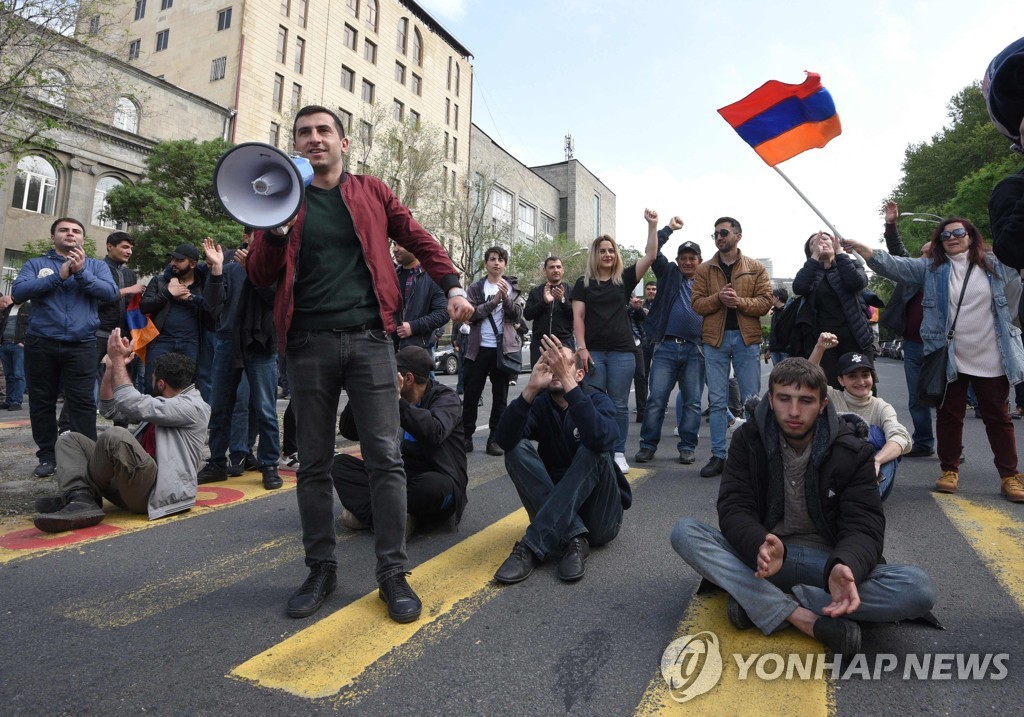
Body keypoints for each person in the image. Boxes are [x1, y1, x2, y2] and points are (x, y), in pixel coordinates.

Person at [246, 105, 472, 623]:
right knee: (315, 463)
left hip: (372, 341)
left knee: (385, 458)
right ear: (296, 146)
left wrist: (452, 286)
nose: (314, 139)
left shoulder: (372, 191)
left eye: (324, 131)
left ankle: (392, 573)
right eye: (304, 133)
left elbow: (418, 238)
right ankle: (320, 568)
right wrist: (276, 231)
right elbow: (260, 275)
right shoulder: (280, 200)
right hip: (308, 344)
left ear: (343, 143)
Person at [671, 358, 936, 655]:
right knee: (685, 532)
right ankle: (801, 617)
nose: (794, 411)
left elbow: (864, 526)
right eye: (784, 399)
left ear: (823, 404)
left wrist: (845, 565)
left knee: (917, 588)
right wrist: (759, 543)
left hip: (825, 565)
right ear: (771, 400)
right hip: (767, 559)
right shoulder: (749, 440)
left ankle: (759, 601)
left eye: (806, 401)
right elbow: (735, 506)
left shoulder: (852, 451)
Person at [845, 218, 1024, 501]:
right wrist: (865, 250)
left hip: (992, 354)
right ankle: (949, 469)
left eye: (958, 233)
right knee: (948, 416)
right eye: (945, 235)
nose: (951, 238)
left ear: (971, 235)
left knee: (998, 417)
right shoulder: (932, 268)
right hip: (949, 357)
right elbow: (896, 266)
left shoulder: (998, 264)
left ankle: (1010, 476)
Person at [32, 330, 209, 532]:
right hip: (130, 484)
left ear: (161, 383)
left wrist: (117, 359)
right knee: (70, 440)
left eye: (152, 376)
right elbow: (111, 408)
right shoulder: (162, 402)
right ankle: (81, 499)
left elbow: (130, 402)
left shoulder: (194, 407)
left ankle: (84, 496)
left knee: (116, 436)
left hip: (155, 492)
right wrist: (110, 369)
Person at [492, 337, 632, 584]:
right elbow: (504, 440)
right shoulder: (540, 404)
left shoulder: (598, 400)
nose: (555, 369)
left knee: (595, 448)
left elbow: (601, 438)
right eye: (550, 363)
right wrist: (530, 389)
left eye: (562, 364)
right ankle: (575, 539)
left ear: (579, 374)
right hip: (556, 510)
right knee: (516, 449)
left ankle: (531, 546)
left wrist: (570, 386)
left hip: (601, 516)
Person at [12, 218, 118, 477]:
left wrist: (80, 273)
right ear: (53, 237)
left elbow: (111, 293)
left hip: (81, 344)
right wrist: (58, 277)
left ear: (83, 238)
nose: (70, 234)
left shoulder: (96, 266)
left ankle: (88, 456)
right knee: (41, 402)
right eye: (64, 230)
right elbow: (18, 292)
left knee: (82, 402)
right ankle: (47, 456)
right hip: (41, 343)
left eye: (76, 231)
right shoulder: (36, 264)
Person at [333, 346, 468, 533]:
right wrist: (359, 391)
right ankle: (397, 520)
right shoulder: (389, 398)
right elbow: (349, 431)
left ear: (408, 379)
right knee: (339, 465)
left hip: (436, 478)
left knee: (432, 487)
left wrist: (399, 403)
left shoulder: (446, 398)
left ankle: (376, 516)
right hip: (400, 474)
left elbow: (434, 432)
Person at [573, 210, 660, 474]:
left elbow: (651, 256)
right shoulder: (583, 283)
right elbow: (578, 316)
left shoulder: (624, 280)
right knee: (595, 403)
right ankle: (598, 448)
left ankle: (618, 452)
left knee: (620, 405)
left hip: (623, 352)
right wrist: (582, 348)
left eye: (611, 250)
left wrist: (653, 226)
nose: (608, 255)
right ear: (595, 255)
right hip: (594, 352)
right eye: (603, 251)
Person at [196, 236, 282, 490]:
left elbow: (277, 301)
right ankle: (217, 463)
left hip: (262, 343)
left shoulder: (276, 263)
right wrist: (216, 269)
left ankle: (269, 464)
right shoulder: (230, 264)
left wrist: (254, 273)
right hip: (227, 341)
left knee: (265, 407)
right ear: (248, 237)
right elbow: (212, 306)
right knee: (220, 406)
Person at [692, 217, 773, 477]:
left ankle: (751, 457)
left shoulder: (756, 268)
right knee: (716, 401)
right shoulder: (705, 269)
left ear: (738, 235)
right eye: (715, 234)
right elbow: (697, 304)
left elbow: (764, 303)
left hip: (746, 339)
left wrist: (738, 302)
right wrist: (718, 298)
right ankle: (718, 456)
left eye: (723, 233)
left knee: (752, 401)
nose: (718, 237)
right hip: (714, 341)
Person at [635, 221, 707, 466]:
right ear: (677, 261)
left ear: (700, 260)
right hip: (665, 347)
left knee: (693, 402)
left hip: (696, 350)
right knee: (656, 399)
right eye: (683, 258)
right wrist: (666, 229)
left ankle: (687, 446)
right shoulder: (668, 274)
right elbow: (651, 250)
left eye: (692, 258)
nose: (688, 262)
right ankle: (647, 446)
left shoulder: (708, 281)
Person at [809, 332, 911, 500]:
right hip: (836, 469)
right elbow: (808, 380)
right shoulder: (831, 398)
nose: (861, 381)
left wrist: (876, 462)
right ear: (841, 380)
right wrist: (819, 347)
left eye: (865, 375)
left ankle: (863, 502)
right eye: (852, 376)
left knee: (889, 457)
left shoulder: (881, 407)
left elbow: (901, 438)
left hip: (869, 473)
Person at [878, 202, 936, 457]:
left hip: (942, 346)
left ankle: (954, 446)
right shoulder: (911, 273)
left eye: (930, 254)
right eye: (922, 254)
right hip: (913, 345)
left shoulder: (949, 276)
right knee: (917, 397)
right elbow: (898, 254)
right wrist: (891, 225)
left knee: (946, 399)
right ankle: (923, 442)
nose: (924, 258)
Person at [461, 246, 524, 457]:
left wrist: (505, 299)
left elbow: (517, 316)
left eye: (500, 260)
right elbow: (471, 315)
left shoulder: (513, 289)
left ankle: (495, 439)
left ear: (505, 264)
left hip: (502, 350)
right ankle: (466, 436)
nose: (496, 263)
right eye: (492, 259)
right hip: (478, 349)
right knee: (470, 395)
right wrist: (494, 301)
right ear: (486, 263)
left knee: (501, 398)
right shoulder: (476, 288)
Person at [792, 232, 873, 388]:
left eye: (825, 239)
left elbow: (856, 283)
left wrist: (840, 253)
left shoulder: (852, 265)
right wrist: (814, 258)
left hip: (855, 337)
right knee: (827, 385)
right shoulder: (811, 271)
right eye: (813, 243)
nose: (820, 243)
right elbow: (799, 288)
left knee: (861, 384)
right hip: (823, 340)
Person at [139, 243, 216, 401]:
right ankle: (150, 425)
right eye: (173, 259)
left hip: (191, 343)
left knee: (189, 387)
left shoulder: (203, 284)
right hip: (161, 341)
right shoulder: (160, 281)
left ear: (193, 264)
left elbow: (213, 309)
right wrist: (168, 293)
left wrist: (190, 298)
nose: (174, 263)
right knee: (151, 384)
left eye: (179, 260)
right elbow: (144, 306)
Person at [392, 243, 449, 353]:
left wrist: (413, 327)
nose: (395, 249)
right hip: (388, 350)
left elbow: (444, 313)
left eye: (400, 244)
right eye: (394, 244)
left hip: (417, 353)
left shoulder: (433, 277)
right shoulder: (392, 276)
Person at [523, 256, 575, 367]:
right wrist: (544, 302)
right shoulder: (536, 291)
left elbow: (575, 316)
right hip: (540, 344)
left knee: (566, 380)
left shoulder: (571, 290)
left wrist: (562, 300)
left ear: (563, 270)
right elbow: (527, 315)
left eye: (558, 267)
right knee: (541, 380)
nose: (556, 270)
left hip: (565, 343)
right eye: (551, 267)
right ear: (545, 271)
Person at [0, 296, 29, 411]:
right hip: (5, 345)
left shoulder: (29, 308)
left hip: (18, 346)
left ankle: (17, 401)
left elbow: (34, 324)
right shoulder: (7, 309)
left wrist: (25, 341)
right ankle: (9, 400)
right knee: (9, 375)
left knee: (18, 374)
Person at [628, 293, 648, 422]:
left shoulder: (635, 301)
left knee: (641, 376)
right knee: (621, 379)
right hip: (619, 345)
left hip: (636, 343)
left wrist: (638, 308)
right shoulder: (617, 298)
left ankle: (642, 411)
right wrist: (630, 307)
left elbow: (641, 318)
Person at [767, 288, 790, 365]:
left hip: (785, 350)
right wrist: (769, 349)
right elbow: (772, 332)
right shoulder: (774, 313)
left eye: (772, 296)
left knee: (786, 375)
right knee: (777, 375)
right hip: (774, 350)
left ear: (777, 298)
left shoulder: (788, 312)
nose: (770, 298)